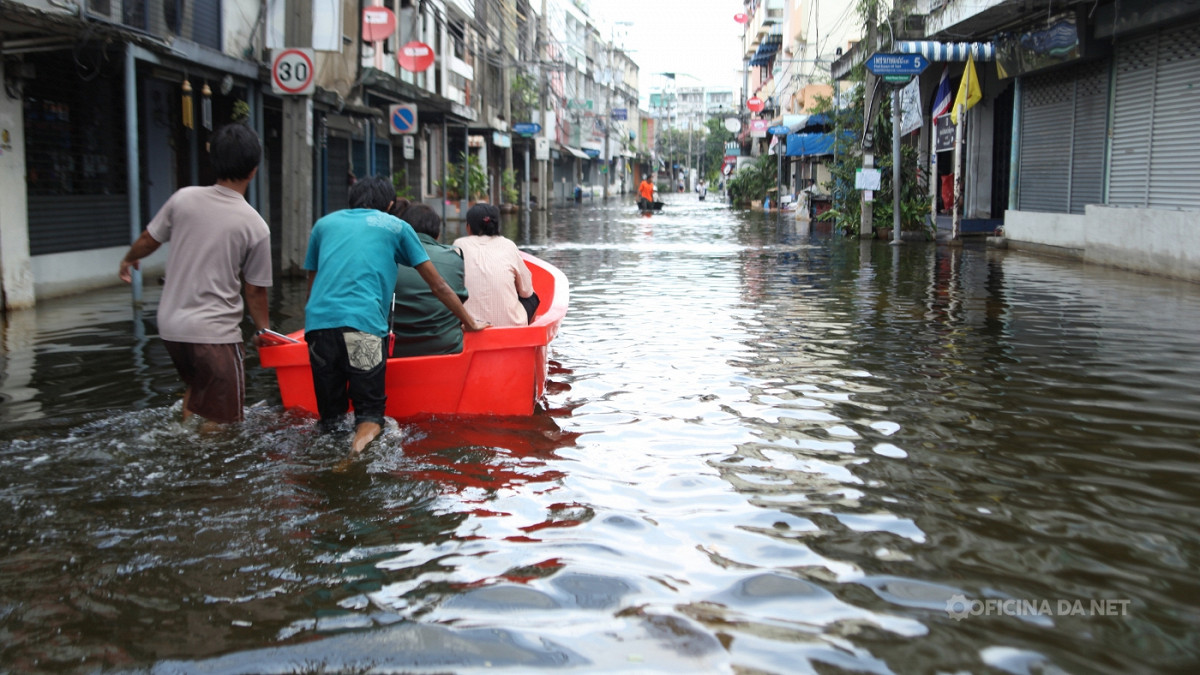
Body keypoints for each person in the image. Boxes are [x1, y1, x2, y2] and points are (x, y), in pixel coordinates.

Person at [303, 176, 487, 456]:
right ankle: (353, 457)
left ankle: (327, 460)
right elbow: (437, 285)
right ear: (390, 205)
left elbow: (312, 286)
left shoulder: (323, 225)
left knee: (331, 419)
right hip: (363, 330)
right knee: (370, 416)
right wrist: (470, 321)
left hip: (319, 329)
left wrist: (315, 327)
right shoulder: (396, 226)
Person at [118, 123, 271, 429]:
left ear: (213, 161)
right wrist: (265, 332)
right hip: (214, 335)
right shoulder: (255, 225)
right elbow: (254, 291)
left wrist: (129, 258)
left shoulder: (183, 199)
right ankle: (199, 466)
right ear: (253, 170)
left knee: (199, 390)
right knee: (224, 420)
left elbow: (149, 238)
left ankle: (186, 442)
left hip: (172, 328)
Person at [389, 203, 470, 357]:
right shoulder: (453, 257)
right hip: (446, 348)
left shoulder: (387, 256)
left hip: (395, 350)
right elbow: (460, 301)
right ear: (438, 234)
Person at [453, 203, 536, 328]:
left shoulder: (459, 244)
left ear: (468, 227)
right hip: (511, 326)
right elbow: (526, 291)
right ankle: (527, 333)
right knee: (533, 297)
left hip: (469, 326)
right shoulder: (508, 245)